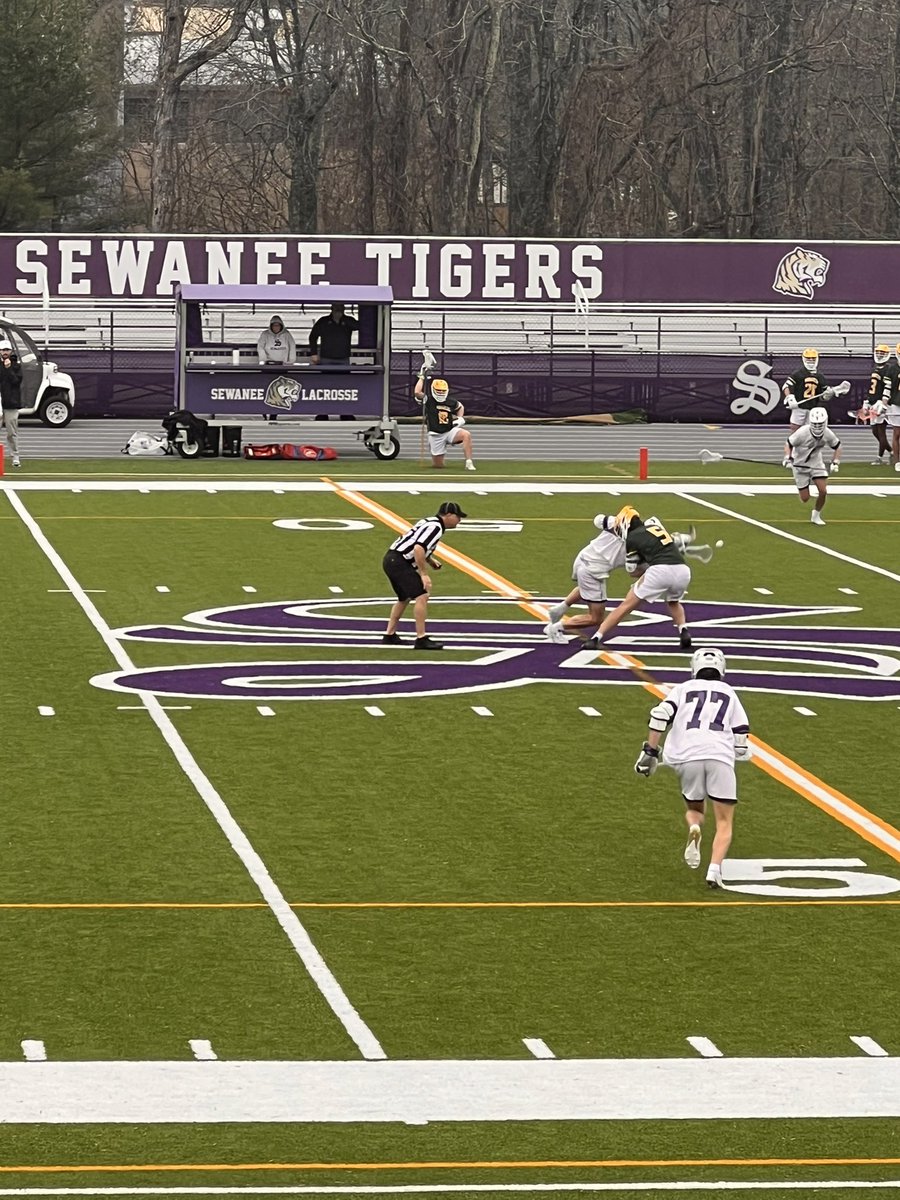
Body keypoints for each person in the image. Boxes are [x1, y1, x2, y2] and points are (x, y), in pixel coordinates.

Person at [634, 646, 751, 889]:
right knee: (724, 821)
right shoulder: (729, 692)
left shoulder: (683, 689)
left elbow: (659, 716)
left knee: (695, 808)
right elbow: (741, 733)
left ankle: (695, 826)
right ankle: (714, 870)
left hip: (687, 757)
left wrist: (650, 751)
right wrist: (740, 751)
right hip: (719, 757)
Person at [583, 506, 693, 650]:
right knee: (673, 602)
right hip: (683, 571)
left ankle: (596, 638)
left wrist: (644, 566)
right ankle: (683, 631)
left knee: (626, 606)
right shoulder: (654, 526)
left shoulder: (632, 538)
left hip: (660, 571)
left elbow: (632, 571)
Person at [381, 501, 467, 650]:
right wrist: (424, 574)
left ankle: (389, 635)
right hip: (399, 562)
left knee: (404, 598)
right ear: (448, 515)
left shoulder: (429, 521)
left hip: (392, 559)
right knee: (422, 595)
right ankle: (421, 638)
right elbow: (418, 548)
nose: (459, 520)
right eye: (457, 516)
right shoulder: (436, 527)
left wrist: (430, 560)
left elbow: (415, 543)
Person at [543, 513, 627, 643]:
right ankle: (555, 628)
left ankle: (560, 609)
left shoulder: (617, 524)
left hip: (583, 558)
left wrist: (613, 523)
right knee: (596, 618)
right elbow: (634, 571)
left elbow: (598, 519)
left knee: (585, 588)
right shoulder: (639, 544)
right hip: (593, 571)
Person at [783, 405, 841, 526]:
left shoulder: (827, 433)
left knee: (823, 491)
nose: (818, 427)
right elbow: (788, 443)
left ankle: (816, 515)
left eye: (820, 424)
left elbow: (837, 446)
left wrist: (835, 461)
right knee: (805, 498)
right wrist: (788, 457)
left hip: (816, 463)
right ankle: (805, 485)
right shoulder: (802, 432)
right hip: (799, 465)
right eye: (815, 424)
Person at [415, 373, 476, 471]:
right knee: (438, 466)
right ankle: (438, 461)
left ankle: (469, 462)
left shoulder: (450, 401)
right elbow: (417, 392)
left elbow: (460, 407)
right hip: (435, 434)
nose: (440, 393)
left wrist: (460, 418)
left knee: (466, 435)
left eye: (442, 391)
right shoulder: (429, 400)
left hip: (449, 430)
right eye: (438, 391)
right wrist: (421, 377)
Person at [848, 343, 892, 465]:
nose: (879, 355)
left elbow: (888, 387)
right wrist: (867, 401)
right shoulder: (875, 368)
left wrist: (883, 402)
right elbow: (873, 387)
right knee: (874, 431)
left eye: (882, 353)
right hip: (873, 401)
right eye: (878, 353)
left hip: (880, 402)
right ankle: (892, 451)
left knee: (881, 431)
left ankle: (880, 457)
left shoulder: (888, 370)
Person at [0, 340, 22, 468]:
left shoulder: (16, 366)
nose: (5, 352)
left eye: (7, 350)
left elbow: (16, 381)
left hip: (11, 403)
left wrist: (8, 369)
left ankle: (15, 455)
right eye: (3, 350)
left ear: (11, 351)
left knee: (11, 431)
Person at [884, 342, 900, 473]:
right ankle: (897, 460)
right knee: (897, 433)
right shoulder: (892, 369)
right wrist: (884, 402)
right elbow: (887, 388)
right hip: (896, 403)